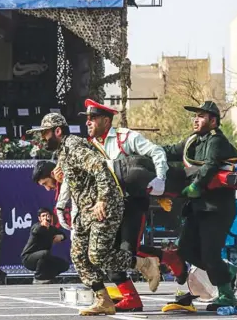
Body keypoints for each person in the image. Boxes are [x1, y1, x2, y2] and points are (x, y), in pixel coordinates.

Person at [27, 113, 161, 316]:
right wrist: (60, 174)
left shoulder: (74, 146)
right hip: (86, 210)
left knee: (97, 255)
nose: (43, 138)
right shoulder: (64, 151)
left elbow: (100, 169)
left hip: (104, 206)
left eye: (45, 133)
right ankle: (103, 300)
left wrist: (102, 200)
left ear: (58, 131)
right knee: (79, 256)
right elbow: (72, 174)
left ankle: (144, 263)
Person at [78, 99, 184, 312]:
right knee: (106, 253)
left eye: (93, 118)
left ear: (106, 121)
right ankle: (131, 298)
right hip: (108, 205)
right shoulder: (89, 147)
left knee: (128, 249)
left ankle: (171, 258)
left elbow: (157, 152)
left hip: (132, 202)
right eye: (87, 119)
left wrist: (160, 178)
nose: (88, 123)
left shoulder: (125, 137)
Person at [162, 101, 237, 311]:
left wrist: (195, 185)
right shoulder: (192, 141)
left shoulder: (217, 141)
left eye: (201, 116)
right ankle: (227, 272)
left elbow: (210, 165)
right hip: (197, 208)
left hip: (216, 209)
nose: (196, 119)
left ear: (213, 121)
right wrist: (145, 151)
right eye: (195, 116)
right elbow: (170, 150)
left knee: (210, 254)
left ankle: (227, 295)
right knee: (186, 249)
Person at [21, 207, 69, 284]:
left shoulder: (52, 229)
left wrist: (61, 237)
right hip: (29, 258)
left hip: (44, 258)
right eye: (43, 216)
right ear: (39, 218)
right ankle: (38, 278)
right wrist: (41, 226)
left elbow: (64, 235)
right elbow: (35, 231)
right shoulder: (36, 226)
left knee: (64, 265)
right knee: (45, 253)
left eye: (47, 216)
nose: (46, 218)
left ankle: (48, 277)